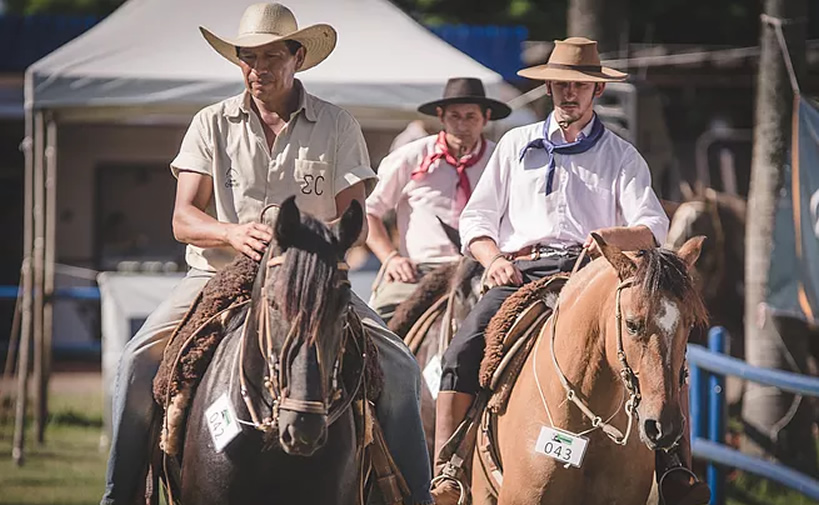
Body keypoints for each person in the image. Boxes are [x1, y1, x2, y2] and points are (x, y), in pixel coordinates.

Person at [100, 4, 433, 505]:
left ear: (297, 57)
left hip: (311, 281)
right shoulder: (211, 123)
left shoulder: (337, 124)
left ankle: (415, 497)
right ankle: (118, 497)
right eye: (248, 57)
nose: (258, 68)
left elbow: (354, 222)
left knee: (402, 368)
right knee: (135, 363)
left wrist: (305, 245)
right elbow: (183, 218)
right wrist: (232, 234)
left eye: (271, 56)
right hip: (218, 279)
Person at [430, 37, 710, 505]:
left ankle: (674, 466)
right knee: (463, 348)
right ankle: (449, 465)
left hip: (599, 275)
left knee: (661, 354)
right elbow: (476, 221)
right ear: (550, 88)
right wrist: (494, 260)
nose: (569, 94)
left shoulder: (621, 155)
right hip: (522, 273)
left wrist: (611, 239)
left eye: (579, 87)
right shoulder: (515, 145)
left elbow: (652, 226)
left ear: (597, 92)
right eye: (561, 85)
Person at [366, 78, 510, 322]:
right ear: (441, 116)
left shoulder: (502, 158)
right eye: (455, 116)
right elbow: (369, 213)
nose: (462, 125)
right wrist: (391, 259)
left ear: (486, 118)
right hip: (420, 270)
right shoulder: (410, 156)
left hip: (484, 268)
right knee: (377, 322)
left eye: (470, 117)